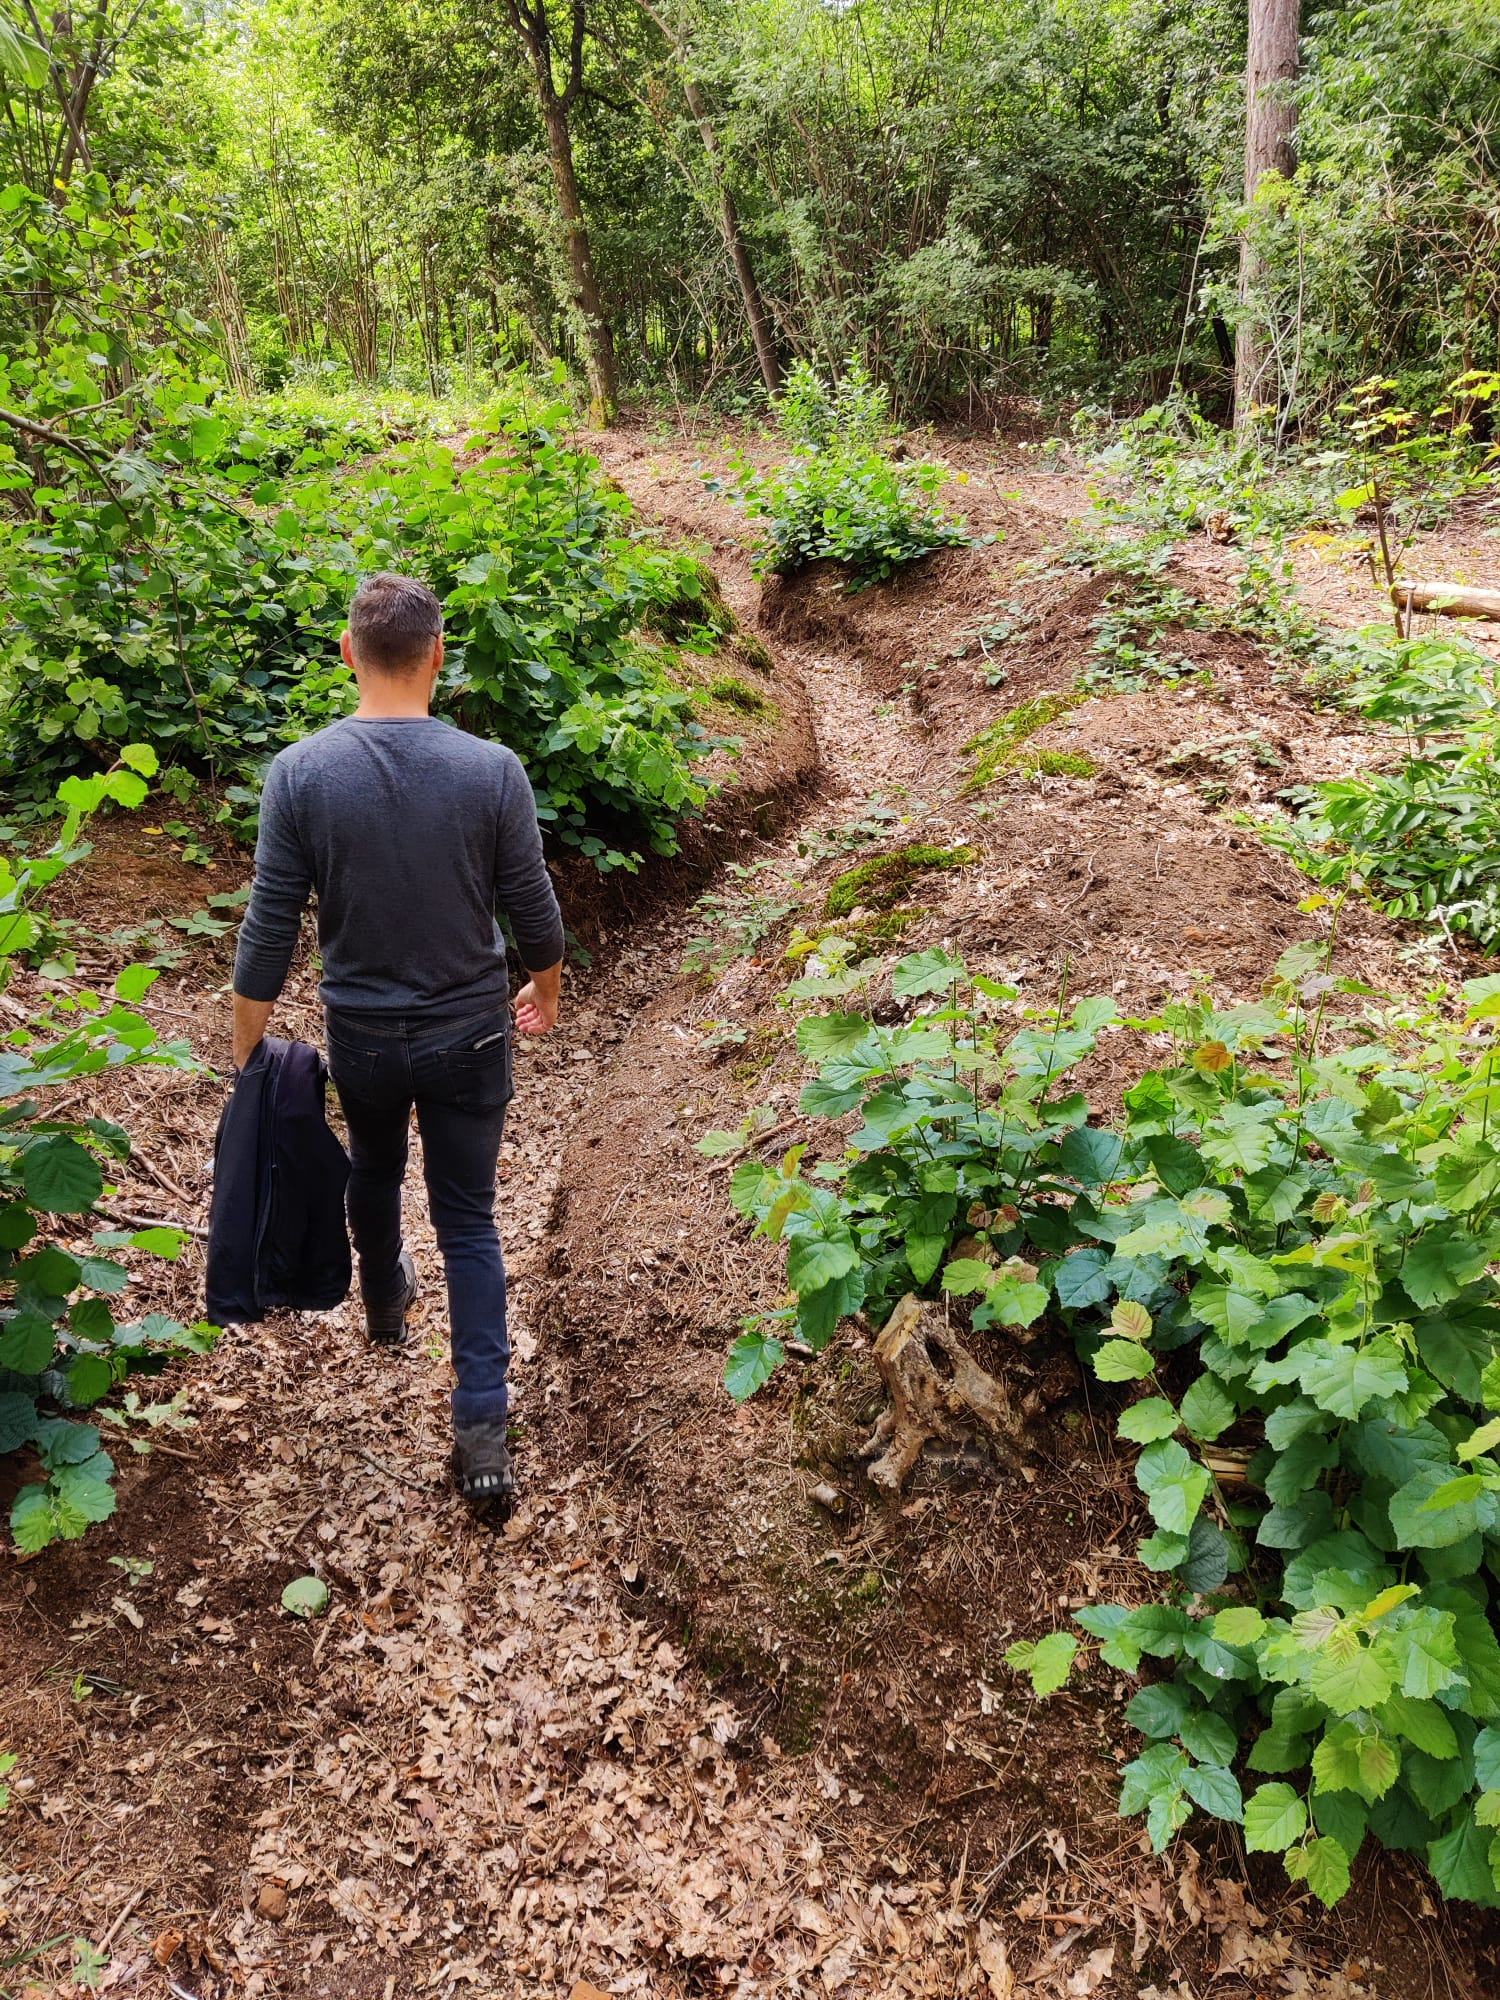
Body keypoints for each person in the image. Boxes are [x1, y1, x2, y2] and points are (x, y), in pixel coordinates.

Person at [230, 570, 564, 1512]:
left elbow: (266, 933)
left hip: (364, 1040)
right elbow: (535, 916)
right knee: (467, 1219)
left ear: (348, 654)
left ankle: (383, 1306)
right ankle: (484, 1433)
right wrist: (545, 989)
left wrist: (248, 1053)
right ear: (437, 657)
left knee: (373, 1171)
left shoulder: (301, 773)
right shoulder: (490, 769)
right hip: (469, 1036)